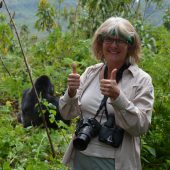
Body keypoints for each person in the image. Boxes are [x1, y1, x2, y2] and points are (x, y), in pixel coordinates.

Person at [59, 17, 154, 170]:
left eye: (120, 40)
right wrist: (71, 92)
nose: (114, 45)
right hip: (82, 157)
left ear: (130, 46)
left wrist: (118, 98)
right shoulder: (91, 73)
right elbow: (66, 114)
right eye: (109, 39)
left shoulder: (141, 80)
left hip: (116, 163)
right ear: (100, 43)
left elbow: (140, 127)